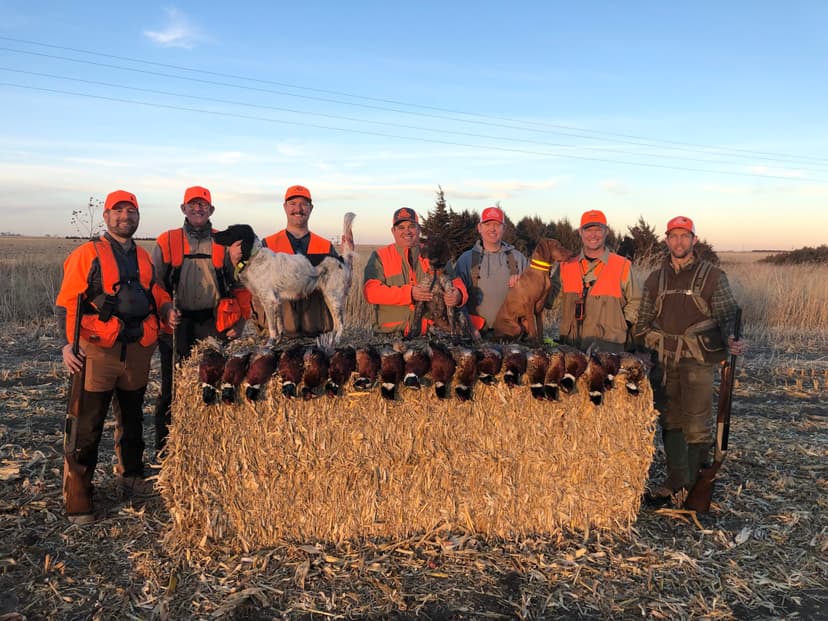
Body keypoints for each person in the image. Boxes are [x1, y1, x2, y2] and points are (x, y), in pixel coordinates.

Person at [55, 190, 178, 524]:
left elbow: (154, 290)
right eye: (118, 211)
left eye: (131, 211)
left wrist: (165, 305)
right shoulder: (87, 253)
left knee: (132, 416)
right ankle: (79, 494)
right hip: (97, 349)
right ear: (106, 217)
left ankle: (131, 475)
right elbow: (69, 302)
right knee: (86, 423)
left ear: (138, 217)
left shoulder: (143, 257)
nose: (126, 216)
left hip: (137, 349)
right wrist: (68, 344)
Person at [634, 215, 747, 503]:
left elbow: (728, 316)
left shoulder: (712, 276)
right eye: (674, 236)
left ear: (694, 240)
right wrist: (655, 343)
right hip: (664, 361)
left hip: (698, 361)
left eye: (685, 236)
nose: (679, 241)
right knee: (670, 420)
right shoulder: (654, 278)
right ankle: (675, 480)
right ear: (666, 240)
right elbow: (642, 324)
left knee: (697, 424)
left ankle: (696, 485)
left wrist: (732, 340)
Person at [152, 186, 249, 456]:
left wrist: (239, 323)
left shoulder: (225, 242)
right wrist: (166, 308)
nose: (198, 209)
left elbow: (241, 285)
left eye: (203, 205)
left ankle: (212, 451)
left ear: (211, 210)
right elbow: (155, 284)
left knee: (215, 384)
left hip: (213, 322)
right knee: (172, 389)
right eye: (192, 204)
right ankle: (166, 452)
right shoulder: (167, 240)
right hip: (177, 322)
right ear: (183, 209)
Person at [247, 185, 341, 337]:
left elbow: (340, 286)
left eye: (304, 204)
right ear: (284, 207)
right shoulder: (267, 245)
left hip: (317, 331)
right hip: (280, 334)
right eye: (292, 203)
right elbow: (254, 289)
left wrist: (347, 261)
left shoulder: (325, 247)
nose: (298, 208)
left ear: (311, 208)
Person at [363, 208, 468, 335]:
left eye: (412, 226)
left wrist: (458, 295)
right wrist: (409, 293)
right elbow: (371, 292)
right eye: (401, 227)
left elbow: (456, 282)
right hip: (391, 334)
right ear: (393, 231)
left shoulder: (435, 252)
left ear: (419, 230)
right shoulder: (380, 256)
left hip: (432, 334)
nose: (407, 231)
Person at [557, 209, 640, 352]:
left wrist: (622, 323)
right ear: (580, 232)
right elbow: (549, 303)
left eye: (598, 229)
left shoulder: (622, 265)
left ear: (606, 231)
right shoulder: (565, 266)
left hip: (608, 350)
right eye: (588, 229)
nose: (593, 235)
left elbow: (636, 301)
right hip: (571, 350)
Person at [454, 206, 538, 334]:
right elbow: (456, 300)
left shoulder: (518, 259)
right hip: (476, 335)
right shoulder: (465, 260)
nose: (492, 229)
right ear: (479, 228)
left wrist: (522, 287)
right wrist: (468, 329)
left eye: (497, 224)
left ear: (504, 228)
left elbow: (534, 296)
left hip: (512, 335)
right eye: (487, 224)